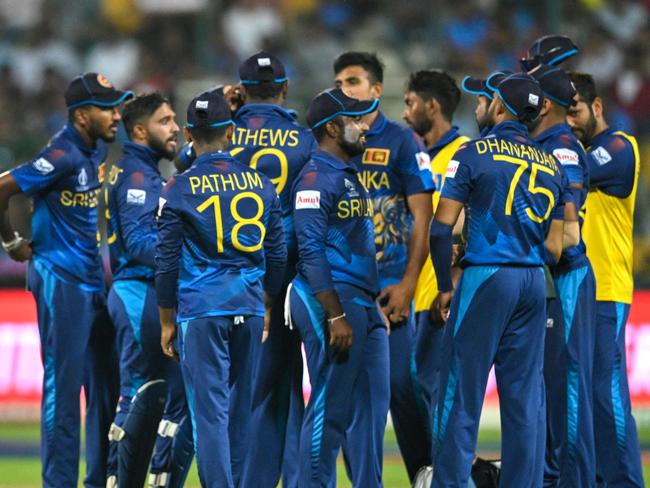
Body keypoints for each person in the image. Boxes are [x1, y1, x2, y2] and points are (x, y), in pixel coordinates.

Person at [429, 73, 566, 487]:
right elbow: (556, 246)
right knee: (525, 400)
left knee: (460, 391)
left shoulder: (473, 153)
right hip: (533, 281)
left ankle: (451, 483)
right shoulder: (553, 163)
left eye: (486, 99)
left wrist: (444, 284)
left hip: (487, 275)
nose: (480, 105)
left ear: (501, 107)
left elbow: (440, 228)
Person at [0, 73, 132, 488]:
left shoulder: (93, 151)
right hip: (62, 280)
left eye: (117, 107)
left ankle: (99, 478)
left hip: (92, 281)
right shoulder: (62, 154)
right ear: (80, 115)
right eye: (107, 108)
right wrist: (10, 241)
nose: (116, 116)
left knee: (105, 387)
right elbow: (1, 188)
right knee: (64, 385)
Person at [156, 89, 287, 487]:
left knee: (209, 414)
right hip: (247, 306)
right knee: (239, 410)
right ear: (230, 132)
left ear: (190, 135)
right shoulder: (261, 183)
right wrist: (265, 302)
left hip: (201, 308)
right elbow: (277, 254)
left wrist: (166, 321)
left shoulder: (178, 186)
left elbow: (166, 261)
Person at [334, 51, 434, 481]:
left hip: (391, 288)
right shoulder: (330, 140)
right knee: (354, 398)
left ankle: (426, 472)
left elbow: (423, 216)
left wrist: (409, 284)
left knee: (399, 389)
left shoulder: (401, 142)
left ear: (376, 90)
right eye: (338, 82)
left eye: (353, 81)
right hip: (347, 289)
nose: (344, 88)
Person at [288, 87, 388, 487]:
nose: (365, 126)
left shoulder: (345, 175)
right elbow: (310, 251)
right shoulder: (314, 177)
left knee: (372, 409)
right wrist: (336, 314)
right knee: (330, 410)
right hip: (330, 299)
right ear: (333, 127)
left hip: (362, 300)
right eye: (356, 120)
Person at [232, 51, 318, 488]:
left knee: (243, 389)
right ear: (285, 89)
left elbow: (190, 169)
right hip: (286, 273)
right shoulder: (305, 139)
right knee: (285, 387)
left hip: (226, 274)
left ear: (242, 90)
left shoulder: (223, 135)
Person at [104, 93, 193, 488]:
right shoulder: (139, 179)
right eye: (166, 121)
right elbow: (140, 243)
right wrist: (188, 261)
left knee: (151, 398)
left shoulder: (143, 173)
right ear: (140, 131)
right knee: (139, 398)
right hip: (138, 294)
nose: (175, 128)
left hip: (141, 294)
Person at [567, 71, 644, 488]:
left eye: (575, 110)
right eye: (564, 113)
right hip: (573, 291)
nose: (570, 120)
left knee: (604, 392)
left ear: (597, 107)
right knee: (576, 397)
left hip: (606, 289)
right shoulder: (570, 151)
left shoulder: (619, 147)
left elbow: (573, 172)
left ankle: (625, 483)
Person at [526, 64, 596, 487]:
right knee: (553, 389)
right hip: (551, 276)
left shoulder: (562, 148)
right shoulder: (542, 143)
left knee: (568, 388)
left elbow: (567, 230)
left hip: (566, 275)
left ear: (546, 104)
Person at [402, 69, 469, 439]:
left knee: (444, 397)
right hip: (416, 297)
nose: (405, 112)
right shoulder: (418, 159)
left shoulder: (463, 154)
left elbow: (469, 227)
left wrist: (453, 284)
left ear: (432, 105)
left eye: (410, 103)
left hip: (443, 299)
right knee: (426, 396)